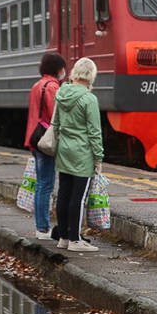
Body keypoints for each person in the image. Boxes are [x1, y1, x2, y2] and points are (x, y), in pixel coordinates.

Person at [51, 57, 103, 252]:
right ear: (91, 75)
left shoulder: (61, 93)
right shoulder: (89, 99)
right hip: (82, 152)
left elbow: (55, 123)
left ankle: (63, 237)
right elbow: (94, 132)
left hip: (64, 149)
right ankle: (75, 239)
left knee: (64, 194)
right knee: (78, 198)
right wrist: (98, 157)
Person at [24, 52, 67, 240]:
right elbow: (54, 115)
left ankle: (40, 226)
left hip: (35, 138)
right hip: (46, 141)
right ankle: (42, 228)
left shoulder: (37, 85)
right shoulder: (52, 87)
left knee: (41, 184)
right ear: (58, 69)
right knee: (46, 185)